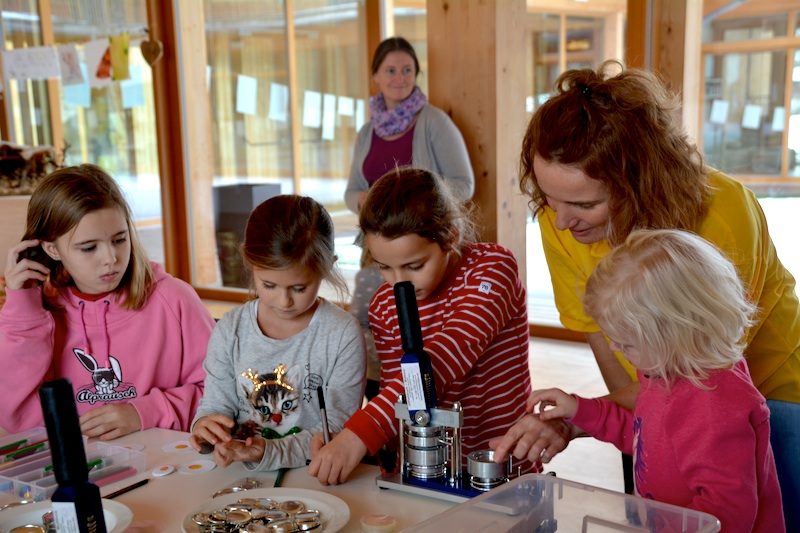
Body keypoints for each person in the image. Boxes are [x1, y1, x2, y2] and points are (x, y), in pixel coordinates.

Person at [491, 60, 799, 529]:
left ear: (640, 180)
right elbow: (630, 369)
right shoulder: (564, 223)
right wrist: (587, 417)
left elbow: (698, 368)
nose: (561, 222)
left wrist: (592, 420)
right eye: (550, 200)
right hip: (680, 385)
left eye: (584, 203)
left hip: (775, 387)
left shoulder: (722, 212)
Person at [309, 168, 564, 485]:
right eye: (385, 267)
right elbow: (400, 392)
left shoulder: (492, 270)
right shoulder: (385, 304)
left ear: (451, 237)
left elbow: (445, 356)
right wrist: (361, 446)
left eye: (414, 266)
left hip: (504, 467)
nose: (398, 283)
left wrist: (358, 435)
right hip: (431, 471)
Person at [530, 229, 784, 532]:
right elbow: (643, 441)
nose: (614, 349)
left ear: (675, 333)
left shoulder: (714, 404)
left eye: (626, 344)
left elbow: (726, 514)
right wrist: (579, 409)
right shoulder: (663, 373)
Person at [0, 164, 214, 439]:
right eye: (89, 247)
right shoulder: (36, 313)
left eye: (119, 240)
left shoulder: (174, 300)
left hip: (165, 467)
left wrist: (144, 412)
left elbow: (223, 394)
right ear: (51, 248)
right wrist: (22, 310)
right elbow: (16, 417)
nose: (110, 258)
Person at [190, 195, 366, 470]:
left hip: (316, 475)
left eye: (299, 288)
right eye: (269, 285)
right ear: (249, 262)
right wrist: (207, 427)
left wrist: (269, 452)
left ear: (328, 266)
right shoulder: (229, 330)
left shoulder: (341, 334)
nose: (284, 301)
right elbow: (216, 404)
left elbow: (335, 428)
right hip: (239, 476)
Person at [345, 36, 475, 399]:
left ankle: (418, 397)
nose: (400, 77)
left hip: (421, 241)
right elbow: (351, 189)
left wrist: (414, 200)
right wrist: (364, 199)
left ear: (417, 74)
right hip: (376, 244)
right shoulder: (367, 131)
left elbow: (464, 185)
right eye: (391, 70)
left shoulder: (434, 121)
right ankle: (380, 397)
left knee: (418, 328)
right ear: (375, 76)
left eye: (407, 70)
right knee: (370, 322)